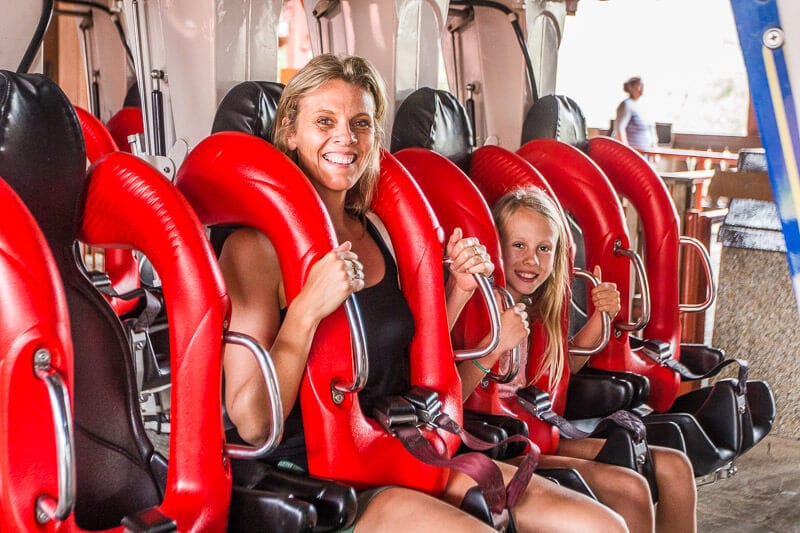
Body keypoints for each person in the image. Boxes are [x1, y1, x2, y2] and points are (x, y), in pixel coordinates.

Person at [218, 54, 628, 532]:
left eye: (360, 123)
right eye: (324, 121)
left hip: (401, 445)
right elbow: (252, 423)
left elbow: (409, 357)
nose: (345, 139)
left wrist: (455, 291)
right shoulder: (253, 250)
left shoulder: (377, 229)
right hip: (315, 480)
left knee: (603, 525)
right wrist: (306, 310)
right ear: (290, 132)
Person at [463, 187, 697, 533]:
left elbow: (560, 369)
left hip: (540, 429)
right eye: (518, 246)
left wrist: (601, 318)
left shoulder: (535, 307)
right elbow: (452, 392)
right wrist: (495, 346)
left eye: (544, 249)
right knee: (630, 488)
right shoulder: (477, 307)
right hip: (497, 441)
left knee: (676, 466)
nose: (532, 260)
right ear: (497, 247)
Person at [613, 76, 657, 151]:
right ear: (631, 87)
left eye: (643, 85)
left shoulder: (644, 106)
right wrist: (626, 151)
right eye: (639, 85)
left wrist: (655, 148)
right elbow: (619, 129)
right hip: (632, 155)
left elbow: (651, 129)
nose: (642, 88)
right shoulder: (626, 105)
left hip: (645, 153)